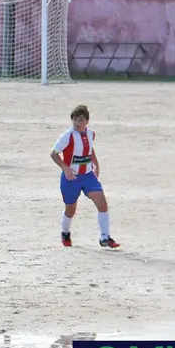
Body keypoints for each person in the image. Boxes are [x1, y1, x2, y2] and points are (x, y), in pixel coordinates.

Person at [50, 104, 120, 249]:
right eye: (75, 119)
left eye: (81, 119)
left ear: (87, 121)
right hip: (71, 179)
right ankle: (65, 232)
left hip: (88, 176)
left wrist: (96, 163)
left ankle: (105, 237)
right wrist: (65, 168)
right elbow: (53, 153)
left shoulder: (90, 134)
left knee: (102, 203)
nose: (77, 123)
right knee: (71, 209)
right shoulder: (67, 136)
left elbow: (88, 148)